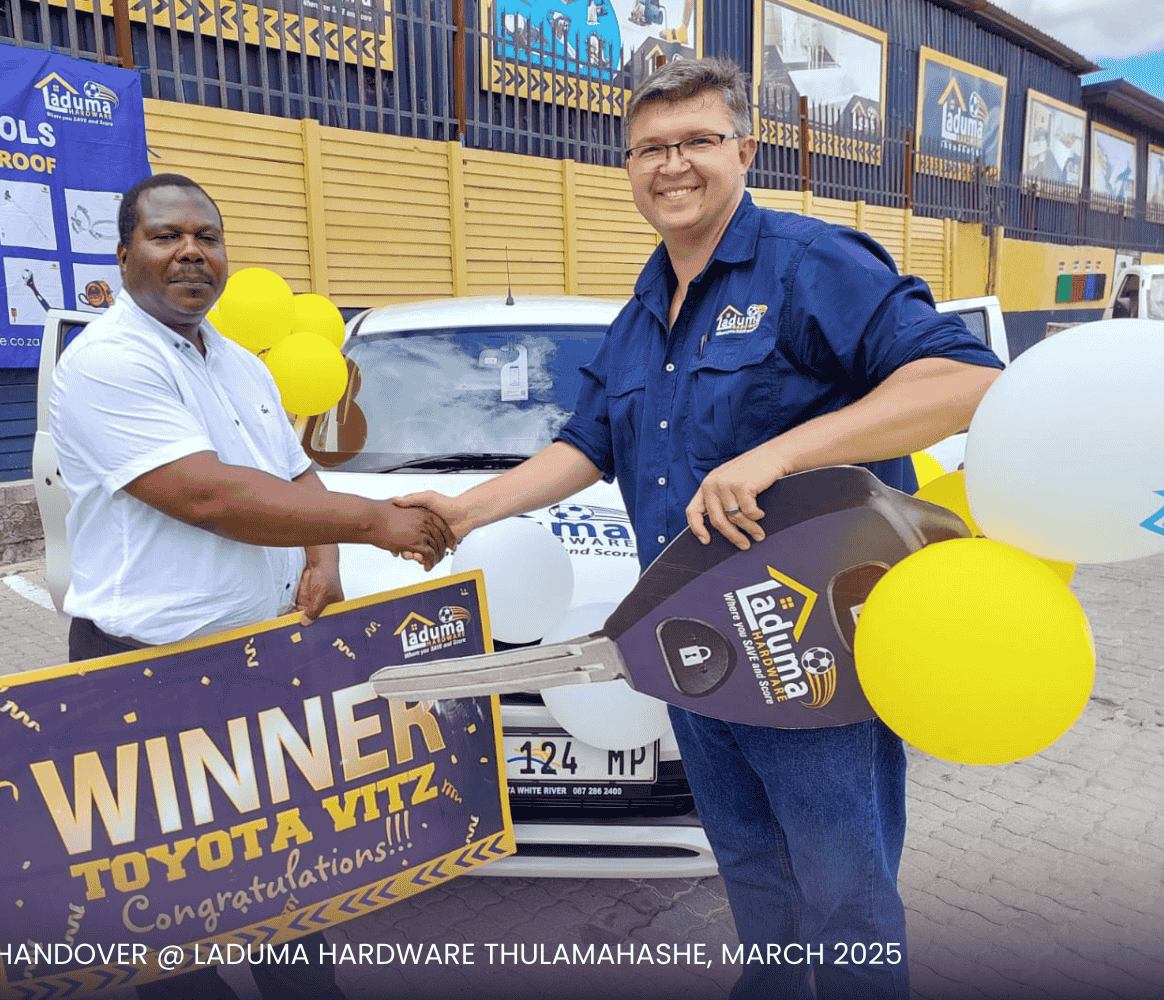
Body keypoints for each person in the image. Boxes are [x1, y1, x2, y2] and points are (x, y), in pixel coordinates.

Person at [398, 57, 1004, 1000]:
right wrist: (465, 511)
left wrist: (778, 455)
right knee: (752, 870)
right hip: (690, 644)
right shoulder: (644, 308)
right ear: (628, 166)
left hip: (808, 652)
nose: (672, 165)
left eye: (697, 141)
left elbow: (967, 381)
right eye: (650, 148)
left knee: (842, 893)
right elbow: (587, 442)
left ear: (744, 151)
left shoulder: (809, 264)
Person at [49, 172, 454, 1000]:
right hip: (147, 671)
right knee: (170, 912)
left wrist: (324, 556)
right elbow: (208, 496)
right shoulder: (107, 362)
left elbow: (293, 470)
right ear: (124, 254)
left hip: (260, 661)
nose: (191, 252)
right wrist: (373, 523)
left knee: (285, 877)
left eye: (207, 237)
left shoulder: (235, 361)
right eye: (166, 236)